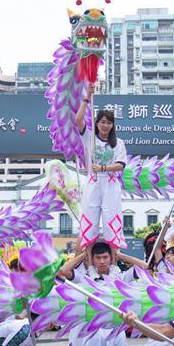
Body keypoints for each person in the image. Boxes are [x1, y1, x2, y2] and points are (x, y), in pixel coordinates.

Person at [75, 83, 127, 258]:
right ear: (97, 123)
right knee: (89, 221)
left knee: (111, 222)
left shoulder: (118, 143)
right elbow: (79, 119)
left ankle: (113, 265)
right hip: (93, 182)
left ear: (112, 126)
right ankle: (89, 263)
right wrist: (86, 98)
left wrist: (104, 167)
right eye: (103, 122)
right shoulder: (89, 138)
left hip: (111, 184)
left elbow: (120, 165)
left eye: (109, 123)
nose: (106, 125)